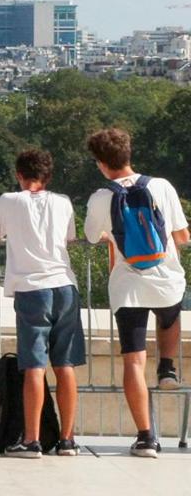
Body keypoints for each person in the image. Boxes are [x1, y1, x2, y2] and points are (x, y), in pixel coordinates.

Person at [84, 127, 189, 458]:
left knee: (133, 360)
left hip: (127, 285)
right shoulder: (161, 186)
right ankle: (168, 367)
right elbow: (181, 235)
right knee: (170, 311)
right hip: (165, 278)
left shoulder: (101, 197)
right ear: (129, 153)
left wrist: (114, 237)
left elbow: (91, 236)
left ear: (101, 163)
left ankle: (146, 437)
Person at [0, 149, 83, 458]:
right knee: (64, 366)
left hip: (31, 289)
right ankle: (67, 439)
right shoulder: (63, 202)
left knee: (34, 366)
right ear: (48, 176)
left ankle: (32, 439)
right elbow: (69, 239)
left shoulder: (9, 201)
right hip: (65, 287)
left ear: (18, 175)